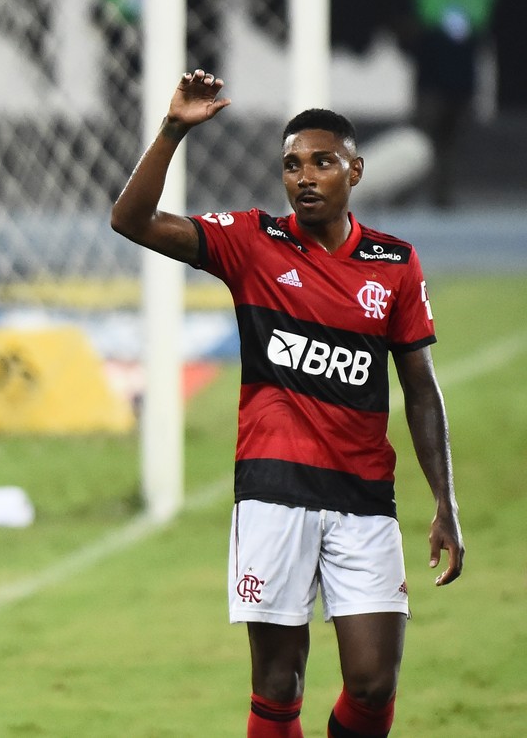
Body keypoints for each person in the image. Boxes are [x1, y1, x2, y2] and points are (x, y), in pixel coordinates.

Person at [111, 70, 464, 737]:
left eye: (322, 163)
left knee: (373, 681)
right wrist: (173, 130)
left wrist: (445, 501)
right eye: (292, 164)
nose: (304, 177)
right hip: (274, 493)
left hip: (364, 499)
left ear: (355, 171)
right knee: (278, 683)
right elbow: (129, 219)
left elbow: (420, 386)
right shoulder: (252, 243)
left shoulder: (394, 263)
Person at [404, 0, 495, 208]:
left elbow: (478, 19)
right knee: (419, 140)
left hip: (462, 79)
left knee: (451, 142)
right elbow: (428, 14)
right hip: (432, 78)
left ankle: (442, 196)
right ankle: (404, 195)